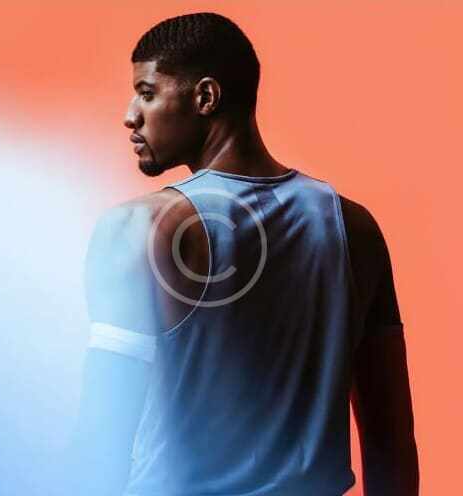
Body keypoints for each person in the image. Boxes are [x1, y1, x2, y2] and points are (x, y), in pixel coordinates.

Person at [69, 12, 419, 496]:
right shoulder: (354, 229)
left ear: (205, 97)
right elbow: (390, 444)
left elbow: (100, 442)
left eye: (147, 93)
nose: (131, 115)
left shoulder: (141, 230)